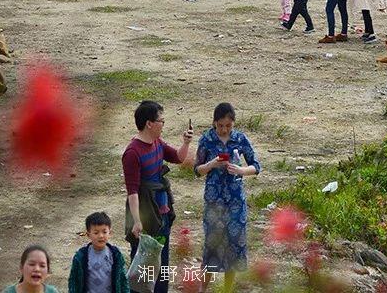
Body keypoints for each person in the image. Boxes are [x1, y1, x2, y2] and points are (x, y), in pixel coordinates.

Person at [123, 100, 193, 293]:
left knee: (161, 264)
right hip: (145, 216)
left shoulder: (157, 143)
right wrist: (137, 222)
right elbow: (133, 192)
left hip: (162, 213)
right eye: (161, 120)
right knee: (143, 266)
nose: (163, 124)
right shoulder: (132, 153)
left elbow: (178, 157)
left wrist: (186, 143)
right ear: (149, 123)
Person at [193, 102, 261, 292]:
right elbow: (197, 170)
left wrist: (240, 170)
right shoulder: (206, 140)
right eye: (220, 126)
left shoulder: (240, 139)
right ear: (214, 123)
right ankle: (202, 289)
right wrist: (211, 164)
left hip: (235, 201)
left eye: (228, 126)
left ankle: (228, 289)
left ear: (233, 124)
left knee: (233, 244)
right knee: (211, 245)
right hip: (214, 201)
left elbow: (256, 166)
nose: (224, 130)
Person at [68, 211, 129, 293]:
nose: (101, 236)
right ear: (89, 235)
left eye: (104, 232)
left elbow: (123, 279)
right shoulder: (81, 256)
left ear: (110, 233)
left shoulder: (115, 254)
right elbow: (74, 281)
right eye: (96, 233)